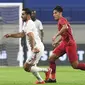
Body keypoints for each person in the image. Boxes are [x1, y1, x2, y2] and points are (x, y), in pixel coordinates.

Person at [4, 8, 51, 84]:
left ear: (28, 15)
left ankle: (47, 70)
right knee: (32, 66)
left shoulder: (29, 23)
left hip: (37, 48)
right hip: (36, 47)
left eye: (23, 14)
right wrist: (10, 35)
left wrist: (33, 48)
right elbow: (21, 34)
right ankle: (40, 81)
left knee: (26, 67)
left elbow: (31, 35)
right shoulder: (26, 24)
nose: (21, 16)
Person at [45, 5, 85, 83]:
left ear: (60, 13)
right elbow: (65, 34)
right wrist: (57, 41)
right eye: (53, 13)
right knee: (51, 58)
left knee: (75, 66)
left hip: (70, 44)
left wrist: (55, 36)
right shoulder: (62, 21)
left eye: (55, 13)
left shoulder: (62, 20)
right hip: (64, 43)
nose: (54, 15)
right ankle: (53, 78)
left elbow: (65, 27)